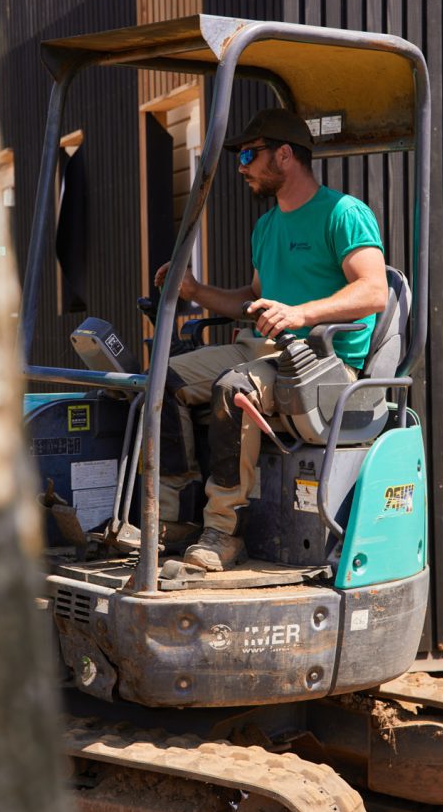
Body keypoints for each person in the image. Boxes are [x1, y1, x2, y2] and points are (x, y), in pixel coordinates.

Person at [154, 108, 387, 572]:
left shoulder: (343, 213)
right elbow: (254, 299)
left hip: (322, 363)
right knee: (162, 378)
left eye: (248, 154)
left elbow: (374, 290)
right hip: (263, 351)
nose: (240, 167)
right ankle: (173, 515)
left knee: (234, 390)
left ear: (284, 155)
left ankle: (223, 531)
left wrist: (300, 313)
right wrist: (197, 292)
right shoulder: (266, 227)